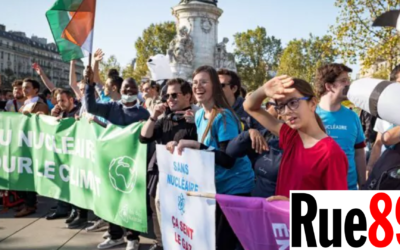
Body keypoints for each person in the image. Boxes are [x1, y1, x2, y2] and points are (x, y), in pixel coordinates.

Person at [166, 66, 254, 250]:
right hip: (216, 188)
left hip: (235, 190)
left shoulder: (223, 117)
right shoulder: (199, 115)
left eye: (204, 82)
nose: (198, 86)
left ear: (214, 86)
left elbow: (228, 159)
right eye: (195, 82)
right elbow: (206, 150)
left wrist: (197, 146)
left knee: (222, 244)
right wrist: (179, 147)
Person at [243, 76, 348, 200]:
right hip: (281, 218)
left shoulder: (331, 153)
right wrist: (264, 90)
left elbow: (338, 207)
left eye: (293, 103)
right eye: (281, 107)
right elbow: (249, 106)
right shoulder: (290, 136)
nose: (287, 111)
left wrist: (296, 206)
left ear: (313, 103)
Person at [84, 67, 149, 250]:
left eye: (132, 89)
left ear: (137, 92)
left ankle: (132, 238)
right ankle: (115, 235)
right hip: (110, 161)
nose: (129, 92)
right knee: (111, 199)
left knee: (131, 201)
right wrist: (89, 85)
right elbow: (91, 107)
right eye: (126, 89)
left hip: (133, 165)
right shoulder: (112, 107)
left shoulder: (144, 114)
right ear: (120, 92)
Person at [140, 78, 197, 250]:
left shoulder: (196, 118)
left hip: (185, 178)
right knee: (156, 206)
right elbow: (143, 137)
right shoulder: (164, 118)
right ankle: (160, 242)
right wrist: (154, 116)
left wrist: (196, 124)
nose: (169, 99)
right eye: (166, 96)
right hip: (161, 172)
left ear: (188, 96)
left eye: (174, 95)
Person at [315, 63, 366, 190]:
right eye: (344, 81)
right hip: (317, 192)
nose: (348, 84)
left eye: (348, 80)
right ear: (329, 86)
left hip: (348, 190)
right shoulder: (309, 115)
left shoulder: (353, 117)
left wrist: (363, 185)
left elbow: (359, 153)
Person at [14, 78, 49, 218]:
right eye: (23, 87)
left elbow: (44, 124)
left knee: (30, 175)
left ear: (35, 90)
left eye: (27, 87)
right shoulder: (24, 105)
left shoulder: (41, 105)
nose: (24, 89)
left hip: (34, 145)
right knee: (22, 174)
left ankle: (30, 204)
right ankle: (26, 202)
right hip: (23, 144)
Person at [367, 64, 400, 176]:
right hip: (385, 173)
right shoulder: (385, 111)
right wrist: (370, 168)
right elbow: (378, 143)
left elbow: (388, 138)